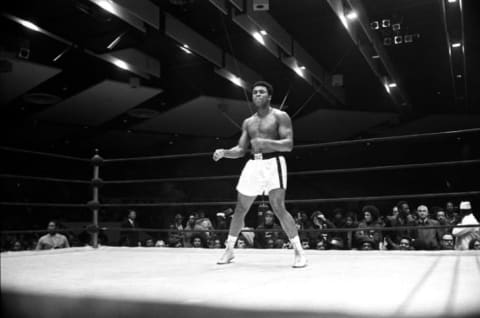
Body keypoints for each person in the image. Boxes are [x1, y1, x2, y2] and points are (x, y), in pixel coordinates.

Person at [212, 81, 307, 268]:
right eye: (255, 92)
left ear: (269, 96)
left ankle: (298, 251)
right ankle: (229, 249)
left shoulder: (280, 116)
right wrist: (225, 152)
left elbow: (288, 144)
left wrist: (266, 143)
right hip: (254, 164)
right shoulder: (248, 122)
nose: (257, 95)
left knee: (278, 206)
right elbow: (240, 149)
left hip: (274, 163)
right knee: (240, 208)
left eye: (261, 92)